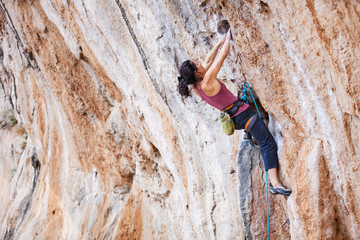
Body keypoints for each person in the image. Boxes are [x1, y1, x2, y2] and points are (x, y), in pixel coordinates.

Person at [177, 30, 291, 196]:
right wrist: (229, 36)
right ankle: (275, 184)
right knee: (268, 143)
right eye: (198, 64)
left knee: (261, 136)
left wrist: (218, 42)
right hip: (243, 115)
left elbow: (208, 61)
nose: (201, 64)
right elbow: (222, 57)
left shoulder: (196, 87)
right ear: (197, 73)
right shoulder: (207, 80)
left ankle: (253, 135)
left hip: (235, 117)